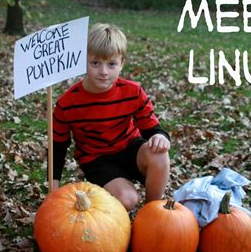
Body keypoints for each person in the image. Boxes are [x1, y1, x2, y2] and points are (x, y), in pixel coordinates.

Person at [52, 23, 170, 211]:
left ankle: (152, 213)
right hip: (97, 159)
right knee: (128, 199)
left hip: (130, 148)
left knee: (160, 156)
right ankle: (114, 189)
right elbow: (57, 146)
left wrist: (159, 137)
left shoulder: (133, 91)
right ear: (84, 61)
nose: (104, 71)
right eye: (95, 63)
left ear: (121, 63)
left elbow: (152, 128)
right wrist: (54, 185)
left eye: (111, 64)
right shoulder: (67, 103)